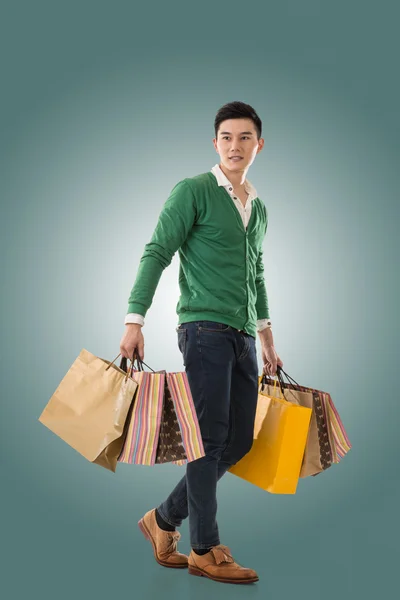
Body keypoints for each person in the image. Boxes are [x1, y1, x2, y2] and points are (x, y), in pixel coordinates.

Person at [119, 100, 283, 585]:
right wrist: (134, 320)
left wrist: (268, 337)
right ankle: (205, 549)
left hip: (243, 337)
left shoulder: (258, 206)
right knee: (208, 439)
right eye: (227, 138)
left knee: (238, 441)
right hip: (204, 331)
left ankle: (162, 520)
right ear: (216, 144)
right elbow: (157, 251)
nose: (236, 146)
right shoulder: (193, 191)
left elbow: (256, 274)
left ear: (259, 144)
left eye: (245, 138)